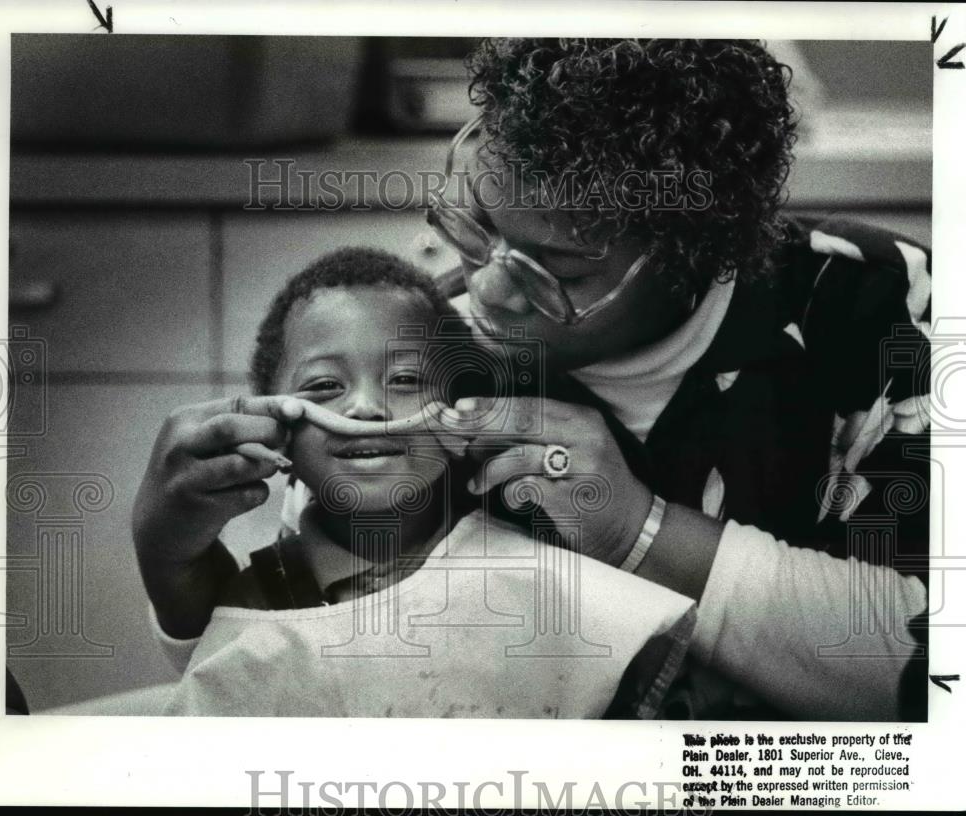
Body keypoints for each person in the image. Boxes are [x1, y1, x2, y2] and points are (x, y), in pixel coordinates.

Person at [133, 38, 930, 721]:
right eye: (475, 223)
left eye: (557, 270)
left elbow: (933, 675)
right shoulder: (423, 346)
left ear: (700, 255)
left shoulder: (882, 309)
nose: (485, 290)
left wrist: (637, 532)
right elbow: (305, 657)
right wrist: (172, 564)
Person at [137, 247, 696, 718]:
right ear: (276, 428)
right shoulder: (260, 598)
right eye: (325, 386)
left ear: (464, 412)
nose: (364, 407)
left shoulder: (538, 572)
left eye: (405, 379)